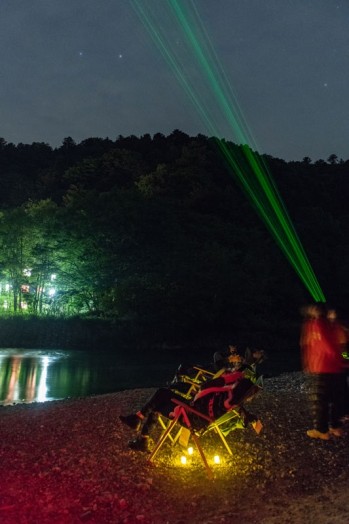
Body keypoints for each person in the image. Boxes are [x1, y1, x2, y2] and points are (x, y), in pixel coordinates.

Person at [119, 367, 261, 451]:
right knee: (162, 394)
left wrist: (230, 377)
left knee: (159, 400)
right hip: (195, 412)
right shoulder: (231, 399)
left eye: (238, 381)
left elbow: (207, 385)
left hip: (191, 417)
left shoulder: (225, 395)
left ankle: (139, 425)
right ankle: (139, 424)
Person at [300, 303, 346, 440]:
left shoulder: (317, 324)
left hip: (322, 367)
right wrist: (342, 361)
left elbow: (328, 345)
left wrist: (335, 357)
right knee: (336, 398)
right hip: (335, 368)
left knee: (320, 400)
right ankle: (335, 426)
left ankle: (321, 430)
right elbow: (341, 345)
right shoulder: (333, 325)